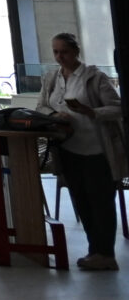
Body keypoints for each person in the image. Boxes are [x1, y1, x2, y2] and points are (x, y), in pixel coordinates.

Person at [36, 31, 123, 271]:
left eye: (64, 52)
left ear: (75, 51)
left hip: (96, 150)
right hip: (68, 148)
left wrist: (91, 112)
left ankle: (106, 253)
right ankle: (94, 250)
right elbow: (41, 106)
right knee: (82, 200)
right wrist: (55, 115)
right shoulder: (52, 78)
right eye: (55, 52)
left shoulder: (94, 78)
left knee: (101, 201)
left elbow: (117, 108)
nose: (59, 57)